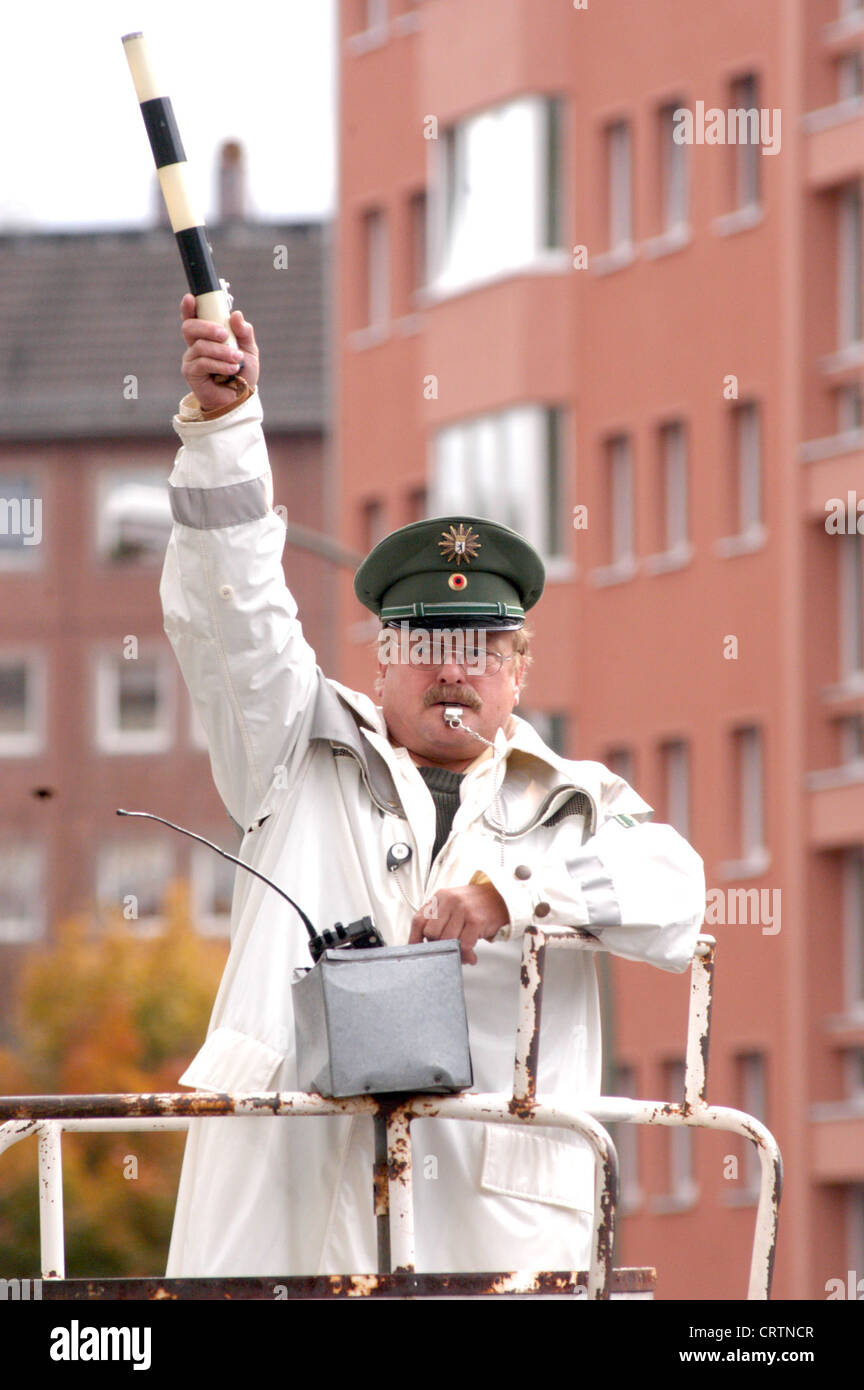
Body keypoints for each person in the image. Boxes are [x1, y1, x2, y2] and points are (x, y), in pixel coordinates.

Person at [162, 296, 706, 1277]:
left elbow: (676, 887)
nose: (454, 670)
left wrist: (512, 896)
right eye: (425, 644)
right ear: (380, 661)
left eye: (482, 646)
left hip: (496, 1268)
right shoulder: (291, 747)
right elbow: (230, 610)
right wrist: (225, 428)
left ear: (522, 668)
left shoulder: (571, 803)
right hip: (279, 1251)